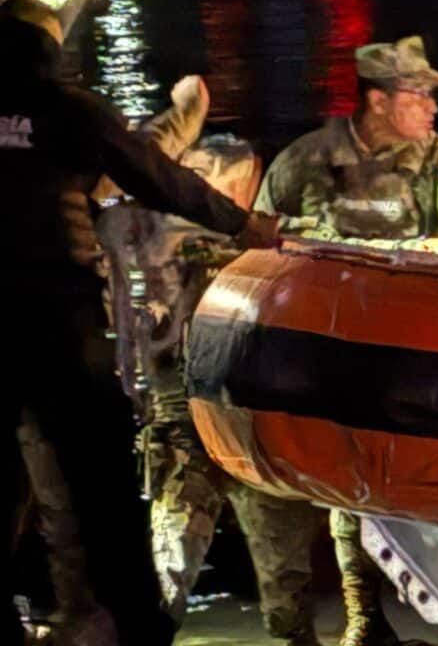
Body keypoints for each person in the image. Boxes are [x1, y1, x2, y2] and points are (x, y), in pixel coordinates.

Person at [0, 0, 277, 646]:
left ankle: (71, 618)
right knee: (101, 496)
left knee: (34, 497)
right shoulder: (65, 108)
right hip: (54, 321)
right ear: (48, 50)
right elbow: (150, 169)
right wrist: (245, 221)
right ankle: (130, 627)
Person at [256, 35, 438, 646]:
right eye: (418, 95)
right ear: (379, 102)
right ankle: (363, 615)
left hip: (420, 352)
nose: (432, 108)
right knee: (347, 487)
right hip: (334, 351)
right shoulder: (307, 162)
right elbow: (262, 248)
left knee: (437, 491)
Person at [108, 77, 323, 646]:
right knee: (174, 558)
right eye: (239, 181)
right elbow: (136, 165)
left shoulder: (250, 238)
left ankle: (291, 631)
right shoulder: (153, 235)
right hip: (192, 421)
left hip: (252, 422)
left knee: (280, 567)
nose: (246, 194)